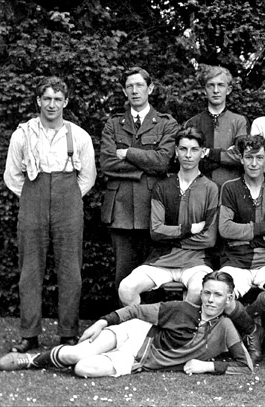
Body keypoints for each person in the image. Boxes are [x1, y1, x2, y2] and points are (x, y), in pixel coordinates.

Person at [0, 271, 253, 377]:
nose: (210, 299)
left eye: (218, 295)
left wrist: (207, 367)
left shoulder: (226, 328)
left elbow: (246, 366)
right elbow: (135, 310)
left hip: (136, 359)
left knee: (83, 368)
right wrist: (101, 322)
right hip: (136, 333)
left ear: (229, 298)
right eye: (207, 292)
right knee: (79, 352)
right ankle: (31, 361)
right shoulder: (182, 308)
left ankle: (58, 360)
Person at [3, 76, 97, 352]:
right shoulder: (22, 134)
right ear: (38, 101)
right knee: (30, 270)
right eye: (47, 98)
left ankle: (68, 333)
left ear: (65, 102)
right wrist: (36, 197)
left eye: (58, 99)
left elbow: (87, 177)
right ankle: (29, 334)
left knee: (70, 270)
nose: (52, 104)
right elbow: (12, 176)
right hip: (33, 198)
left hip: (68, 199)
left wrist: (65, 197)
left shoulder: (79, 136)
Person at [100, 67, 180, 299]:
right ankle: (125, 329)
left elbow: (163, 162)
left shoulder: (166, 123)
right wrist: (143, 168)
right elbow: (107, 162)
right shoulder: (114, 124)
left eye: (139, 86)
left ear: (150, 89)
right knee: (123, 275)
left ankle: (152, 329)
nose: (135, 91)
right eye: (130, 86)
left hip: (153, 207)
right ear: (124, 91)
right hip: (121, 210)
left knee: (153, 276)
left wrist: (127, 153)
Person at [118, 128, 218, 306]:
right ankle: (144, 331)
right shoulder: (162, 187)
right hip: (161, 261)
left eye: (194, 150)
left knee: (198, 291)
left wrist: (171, 237)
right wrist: (189, 229)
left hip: (196, 263)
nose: (188, 155)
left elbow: (209, 239)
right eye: (183, 149)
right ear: (176, 151)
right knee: (126, 288)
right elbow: (156, 231)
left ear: (202, 153)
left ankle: (183, 333)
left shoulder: (211, 188)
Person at [218, 135, 265, 362]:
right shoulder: (230, 189)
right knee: (222, 296)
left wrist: (251, 239)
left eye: (259, 158)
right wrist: (263, 227)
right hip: (237, 261)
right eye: (248, 157)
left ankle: (246, 321)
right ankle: (253, 330)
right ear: (241, 159)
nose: (253, 163)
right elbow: (225, 229)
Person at [183, 65, 249, 188]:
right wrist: (225, 155)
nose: (216, 90)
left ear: (228, 90)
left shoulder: (239, 121)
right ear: (204, 90)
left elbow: (240, 156)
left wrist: (207, 152)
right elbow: (188, 157)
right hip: (199, 188)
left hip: (230, 188)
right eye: (211, 85)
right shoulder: (192, 123)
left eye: (221, 85)